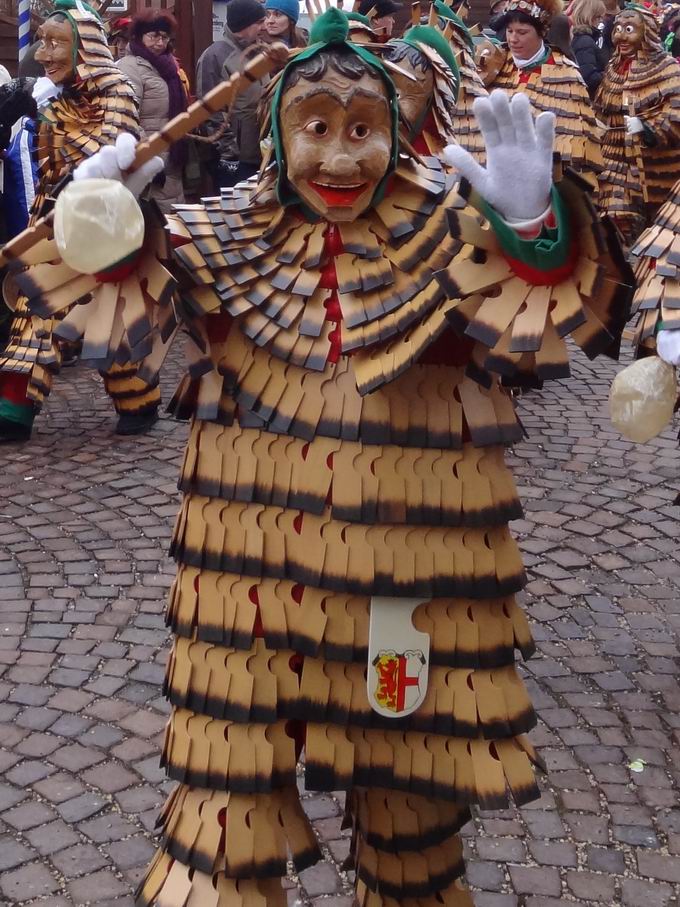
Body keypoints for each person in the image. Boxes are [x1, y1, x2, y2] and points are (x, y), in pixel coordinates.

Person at [52, 10, 633, 904]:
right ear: (278, 137)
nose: (337, 160)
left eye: (361, 129)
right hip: (242, 588)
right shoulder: (225, 233)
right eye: (314, 129)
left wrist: (533, 223)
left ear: (394, 132)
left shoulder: (448, 228)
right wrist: (102, 222)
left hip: (417, 576)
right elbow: (125, 303)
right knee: (221, 819)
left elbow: (549, 317)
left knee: (413, 816)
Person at [0, 0, 163, 441]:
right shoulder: (52, 94)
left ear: (83, 47)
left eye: (57, 43)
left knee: (112, 324)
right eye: (43, 42)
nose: (45, 54)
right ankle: (12, 409)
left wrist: (74, 159)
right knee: (35, 313)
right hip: (53, 224)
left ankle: (139, 399)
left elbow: (112, 148)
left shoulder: (117, 89)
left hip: (104, 227)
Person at [484, 0, 602, 183]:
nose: (513, 39)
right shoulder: (492, 65)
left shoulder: (567, 74)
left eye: (522, 32)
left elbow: (577, 150)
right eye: (510, 31)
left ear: (542, 33)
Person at [595, 4, 680, 241]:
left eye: (629, 29)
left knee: (657, 227)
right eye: (618, 28)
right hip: (612, 159)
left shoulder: (667, 67)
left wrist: (647, 127)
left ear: (646, 32)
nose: (620, 35)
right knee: (613, 217)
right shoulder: (613, 68)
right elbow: (601, 106)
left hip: (650, 165)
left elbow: (676, 110)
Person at [118, 10, 188, 213]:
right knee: (155, 224)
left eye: (164, 37)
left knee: (172, 224)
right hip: (149, 162)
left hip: (172, 158)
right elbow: (126, 116)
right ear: (139, 36)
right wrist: (147, 157)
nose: (159, 42)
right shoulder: (130, 67)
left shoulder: (170, 66)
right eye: (153, 36)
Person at [220, 0, 268, 184]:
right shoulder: (217, 55)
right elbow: (211, 112)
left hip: (260, 153)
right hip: (237, 159)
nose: (264, 27)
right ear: (244, 24)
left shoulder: (258, 53)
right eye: (259, 22)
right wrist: (229, 155)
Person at [570, 0, 608, 96]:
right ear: (590, 16)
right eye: (598, 17)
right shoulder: (585, 41)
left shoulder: (583, 39)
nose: (601, 21)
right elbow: (589, 76)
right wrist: (608, 76)